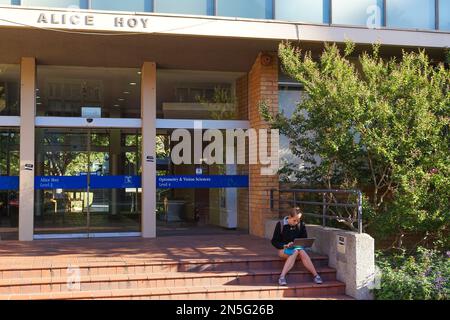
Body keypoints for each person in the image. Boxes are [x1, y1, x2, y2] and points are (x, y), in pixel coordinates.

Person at [271, 207, 323, 286]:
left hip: (297, 249)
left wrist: (300, 243)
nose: (296, 222)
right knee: (295, 251)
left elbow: (304, 238)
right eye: (294, 220)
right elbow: (274, 241)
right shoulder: (280, 224)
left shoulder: (301, 224)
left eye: (298, 220)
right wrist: (284, 245)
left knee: (299, 250)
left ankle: (316, 275)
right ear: (289, 216)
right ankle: (282, 277)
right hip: (284, 249)